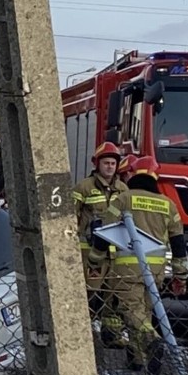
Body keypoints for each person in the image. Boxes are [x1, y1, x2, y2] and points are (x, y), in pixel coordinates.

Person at [88, 156, 188, 375]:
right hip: (156, 271)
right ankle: (137, 360)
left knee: (132, 312)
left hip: (127, 269)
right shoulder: (168, 204)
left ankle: (152, 340)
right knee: (144, 312)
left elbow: (104, 230)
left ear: (133, 174)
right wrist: (180, 276)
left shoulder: (124, 199)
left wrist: (95, 259)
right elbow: (179, 244)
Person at [72, 141, 128, 345]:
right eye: (106, 163)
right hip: (89, 251)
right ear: (97, 164)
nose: (110, 167)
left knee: (113, 293)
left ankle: (111, 335)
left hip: (115, 251)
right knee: (88, 292)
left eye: (113, 163)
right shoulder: (84, 187)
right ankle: (80, 334)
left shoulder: (122, 189)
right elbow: (71, 215)